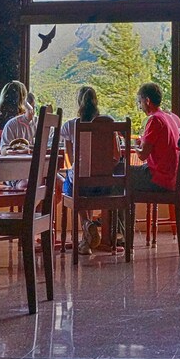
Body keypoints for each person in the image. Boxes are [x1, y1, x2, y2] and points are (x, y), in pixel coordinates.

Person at [60, 86, 122, 255]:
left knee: (72, 181)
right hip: (104, 186)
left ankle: (87, 224)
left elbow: (70, 160)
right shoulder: (109, 124)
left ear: (79, 103)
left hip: (81, 186)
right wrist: (102, 170)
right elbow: (117, 156)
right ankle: (86, 241)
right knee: (86, 182)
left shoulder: (70, 126)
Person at [131, 82, 180, 193]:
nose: (140, 107)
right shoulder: (168, 118)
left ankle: (112, 205)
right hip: (171, 179)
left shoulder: (155, 120)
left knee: (120, 174)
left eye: (140, 102)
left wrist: (134, 145)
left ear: (147, 101)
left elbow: (142, 155)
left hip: (159, 179)